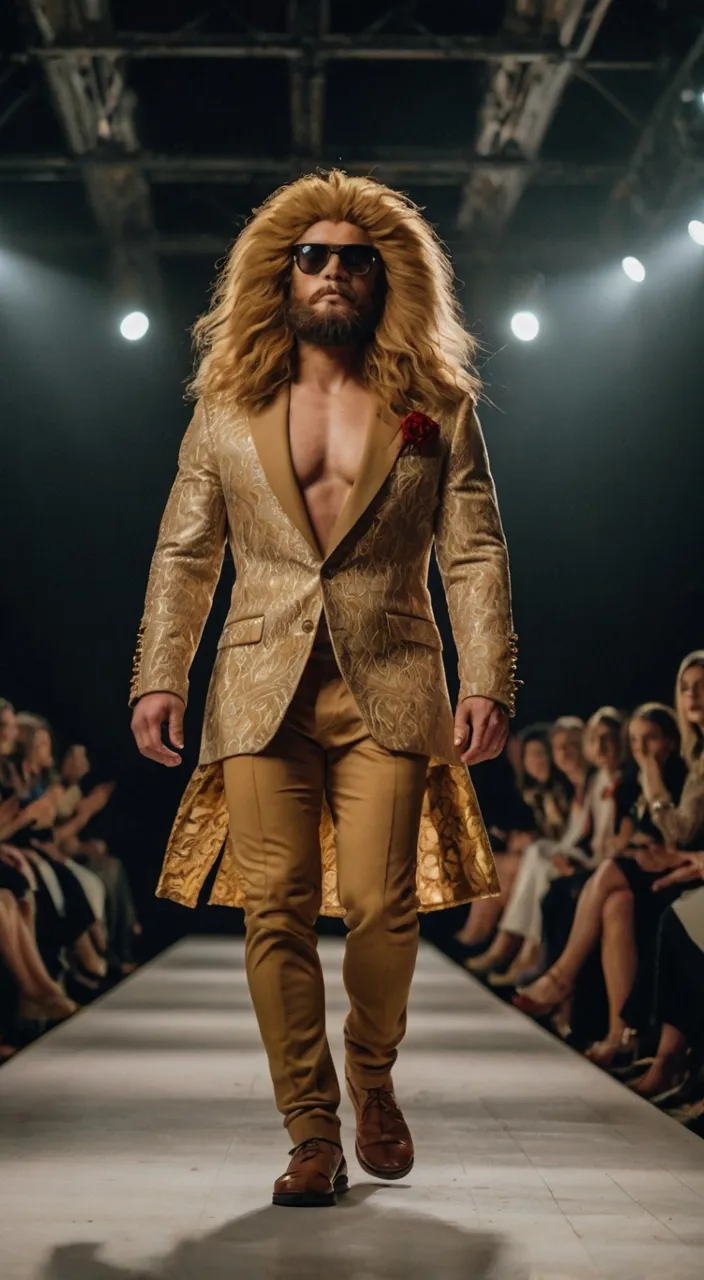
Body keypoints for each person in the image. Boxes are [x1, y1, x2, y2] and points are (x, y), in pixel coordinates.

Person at [129, 170, 519, 1207]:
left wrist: (486, 674)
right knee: (277, 911)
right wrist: (157, 674)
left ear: (388, 275)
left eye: (355, 257)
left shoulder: (435, 404)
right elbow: (184, 551)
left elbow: (473, 553)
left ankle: (371, 1071)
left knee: (386, 902)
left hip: (390, 675)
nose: (334, 272)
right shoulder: (226, 406)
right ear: (280, 273)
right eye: (314, 257)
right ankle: (310, 1130)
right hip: (257, 683)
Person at [513, 703, 687, 1063]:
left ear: (670, 740)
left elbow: (678, 833)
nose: (640, 747)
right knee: (614, 902)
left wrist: (652, 846)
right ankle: (619, 1034)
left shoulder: (672, 773)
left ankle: (560, 979)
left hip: (677, 873)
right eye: (635, 739)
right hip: (647, 870)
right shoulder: (633, 778)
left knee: (603, 873)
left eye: (649, 738)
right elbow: (632, 834)